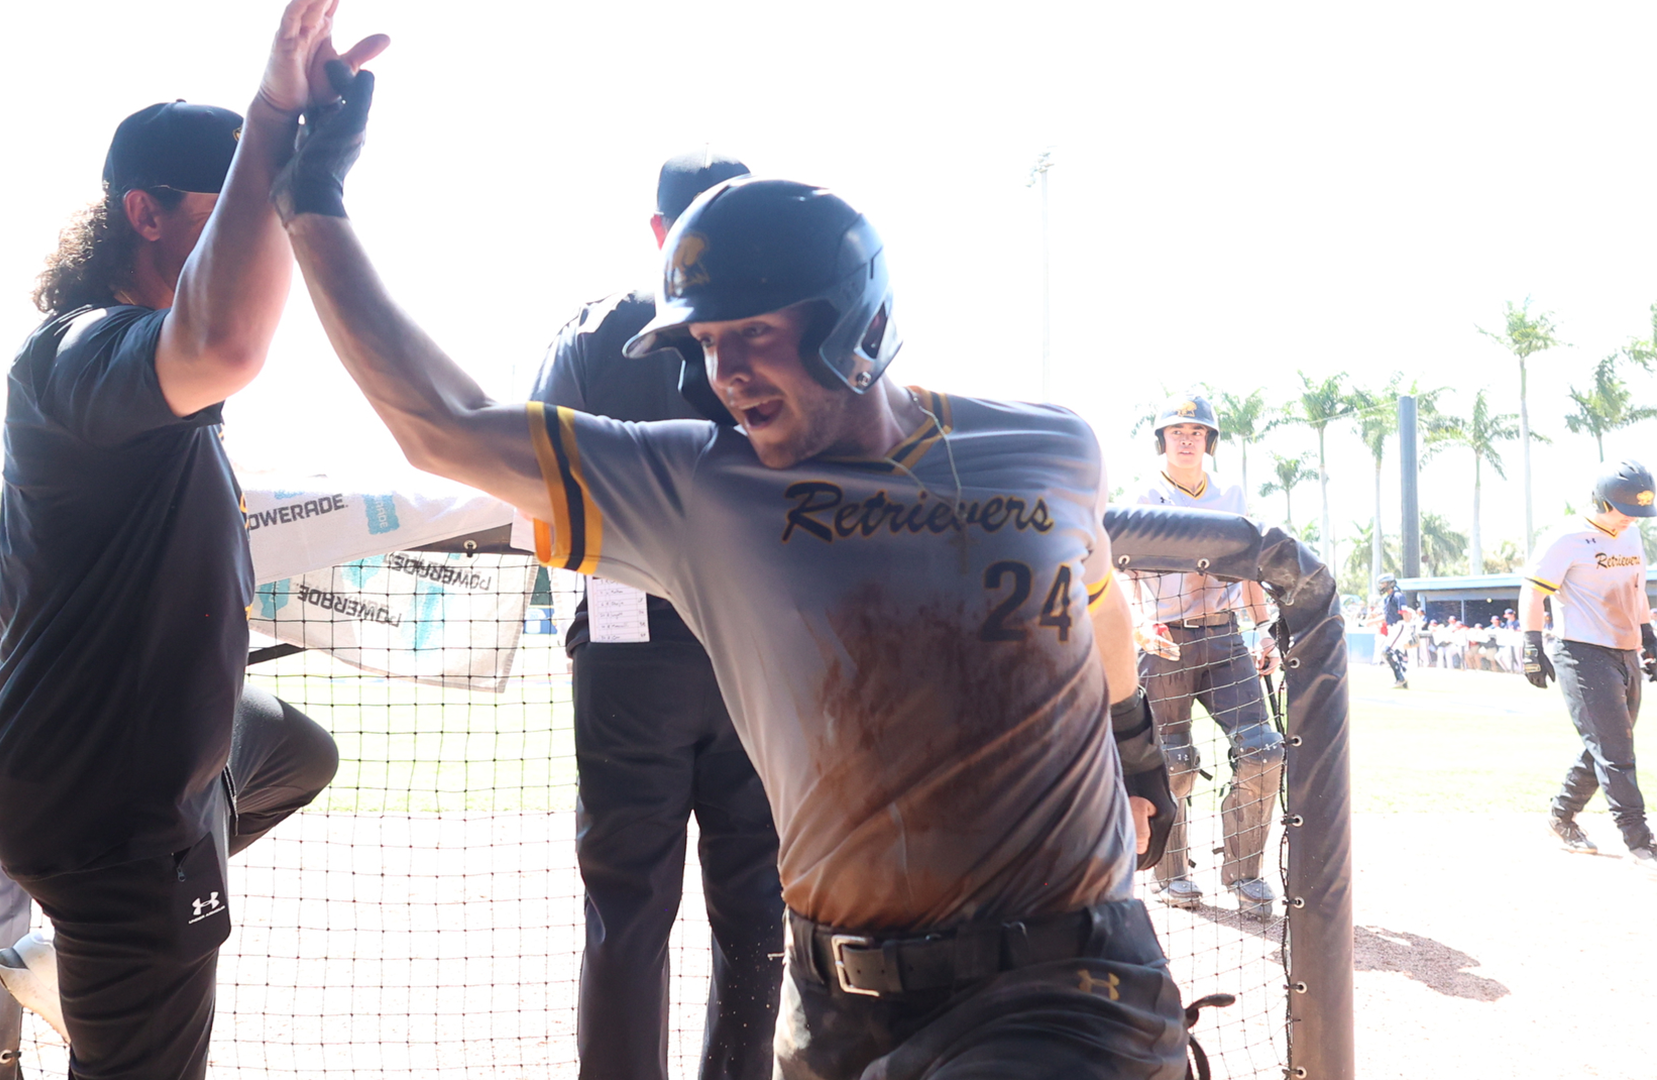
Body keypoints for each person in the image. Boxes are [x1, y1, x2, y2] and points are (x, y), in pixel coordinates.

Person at [274, 63, 1188, 1079]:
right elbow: (441, 425)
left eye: (754, 334)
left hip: (1064, 993)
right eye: (708, 344)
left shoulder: (1052, 447)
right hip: (838, 1009)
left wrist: (1133, 744)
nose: (726, 373)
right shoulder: (700, 489)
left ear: (859, 321)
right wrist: (311, 200)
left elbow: (1096, 607)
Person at [0, 6, 384, 1076]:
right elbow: (229, 338)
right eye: (232, 207)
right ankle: (110, 943)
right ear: (143, 215)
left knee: (297, 749)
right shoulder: (74, 354)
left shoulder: (152, 386)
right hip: (109, 810)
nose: (264, 235)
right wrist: (273, 128)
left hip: (116, 760)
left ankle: (84, 952)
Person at [531, 150, 784, 1080]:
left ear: (657, 233)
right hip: (759, 646)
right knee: (757, 900)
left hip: (630, 643)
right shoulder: (786, 331)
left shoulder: (597, 333)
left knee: (627, 908)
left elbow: (539, 507)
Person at [1127, 395, 1285, 917]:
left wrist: (1263, 629)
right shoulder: (1144, 495)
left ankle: (1244, 873)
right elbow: (1119, 573)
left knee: (1265, 750)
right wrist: (1137, 624)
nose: (1188, 439)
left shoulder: (1231, 494)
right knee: (1174, 760)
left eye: (1197, 431)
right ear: (1163, 441)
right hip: (1162, 640)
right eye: (1178, 431)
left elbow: (1249, 571)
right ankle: (1168, 872)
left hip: (1223, 637)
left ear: (1210, 441)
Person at [1521, 460, 1657, 875]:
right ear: (1601, 500)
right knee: (1616, 750)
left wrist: (1648, 638)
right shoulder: (1566, 537)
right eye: (1624, 508)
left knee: (1606, 742)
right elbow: (1532, 589)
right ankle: (1640, 841)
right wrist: (1530, 644)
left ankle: (1560, 818)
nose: (1632, 517)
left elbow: (1636, 591)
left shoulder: (1631, 534)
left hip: (1624, 648)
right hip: (1581, 651)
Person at [1376, 574, 1411, 687]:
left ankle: (1400, 678)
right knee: (1396, 653)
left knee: (1387, 651)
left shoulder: (1398, 596)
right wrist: (1372, 621)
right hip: (1392, 627)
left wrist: (1409, 629)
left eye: (1384, 583)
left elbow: (1405, 613)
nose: (1381, 586)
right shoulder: (1388, 598)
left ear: (1390, 583)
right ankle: (1403, 680)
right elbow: (1387, 616)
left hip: (1399, 625)